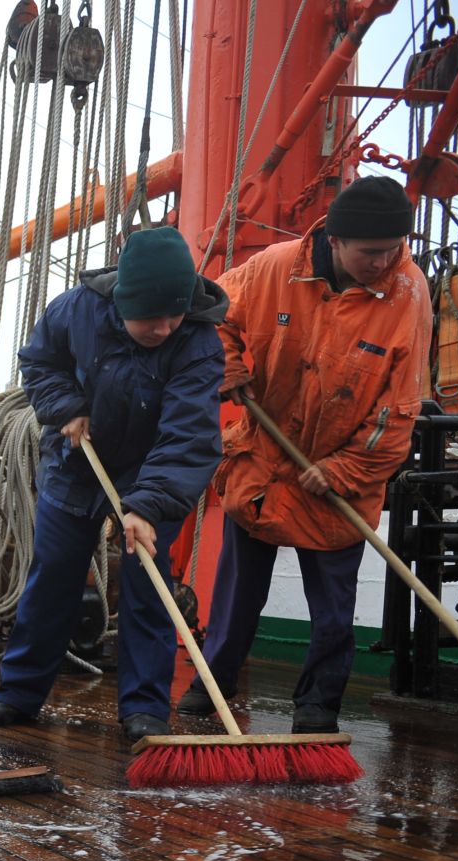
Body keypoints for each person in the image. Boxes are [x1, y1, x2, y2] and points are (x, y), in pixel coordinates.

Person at [189, 175, 431, 733]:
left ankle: (318, 706)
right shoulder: (274, 266)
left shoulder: (408, 293)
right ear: (338, 240)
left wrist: (345, 469)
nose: (383, 262)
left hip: (339, 479)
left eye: (393, 249)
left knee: (332, 614)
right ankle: (211, 684)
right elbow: (211, 316)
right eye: (371, 252)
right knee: (235, 597)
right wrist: (227, 369)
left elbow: (399, 408)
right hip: (263, 462)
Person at [0, 226, 228, 740]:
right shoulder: (75, 311)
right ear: (122, 300)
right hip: (75, 465)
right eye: (148, 316)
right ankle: (18, 694)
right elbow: (40, 362)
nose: (163, 327)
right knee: (52, 582)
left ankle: (144, 709)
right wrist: (66, 407)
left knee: (148, 590)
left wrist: (148, 506)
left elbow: (189, 434)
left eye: (173, 315)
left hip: (154, 471)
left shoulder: (198, 342)